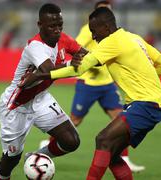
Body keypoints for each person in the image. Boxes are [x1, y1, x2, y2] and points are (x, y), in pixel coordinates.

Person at [20, 7, 161, 180]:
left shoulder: (112, 42)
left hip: (146, 104)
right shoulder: (133, 37)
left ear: (106, 27)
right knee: (111, 154)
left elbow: (79, 69)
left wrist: (43, 74)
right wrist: (149, 81)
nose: (93, 36)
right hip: (151, 103)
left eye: (94, 31)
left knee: (102, 139)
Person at [39, 0, 144, 173]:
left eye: (108, 10)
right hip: (88, 84)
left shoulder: (113, 33)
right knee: (75, 120)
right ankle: (50, 144)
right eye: (103, 9)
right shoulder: (88, 30)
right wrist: (89, 63)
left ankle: (124, 159)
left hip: (107, 85)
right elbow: (77, 48)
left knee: (121, 120)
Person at [0, 3, 86, 180]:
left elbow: (86, 55)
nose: (57, 30)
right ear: (40, 25)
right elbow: (48, 71)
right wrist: (70, 64)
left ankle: (36, 157)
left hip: (40, 98)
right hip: (16, 105)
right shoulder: (34, 47)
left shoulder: (63, 39)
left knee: (71, 140)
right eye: (52, 26)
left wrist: (99, 57)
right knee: (11, 159)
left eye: (60, 25)